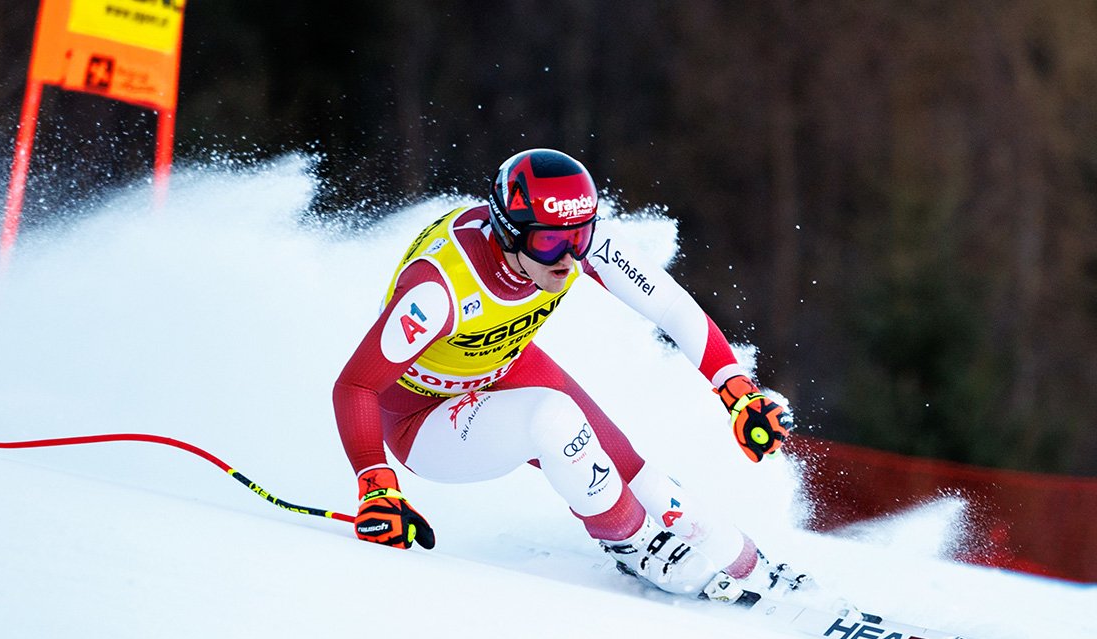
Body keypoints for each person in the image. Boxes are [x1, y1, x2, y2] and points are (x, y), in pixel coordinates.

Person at [333, 148, 799, 603]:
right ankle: (634, 545)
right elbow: (355, 385)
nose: (569, 257)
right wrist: (377, 486)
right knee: (555, 419)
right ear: (508, 233)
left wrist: (735, 389)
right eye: (550, 243)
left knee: (634, 472)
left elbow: (670, 305)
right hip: (420, 418)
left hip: (497, 363)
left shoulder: (569, 238)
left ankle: (752, 568)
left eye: (579, 238)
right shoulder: (441, 289)